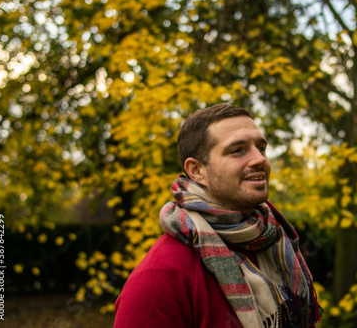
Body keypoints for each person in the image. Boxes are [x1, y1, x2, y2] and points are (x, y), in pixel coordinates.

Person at [114, 104, 322, 328]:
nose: (259, 159)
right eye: (237, 150)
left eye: (261, 148)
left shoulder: (278, 245)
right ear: (196, 170)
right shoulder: (160, 277)